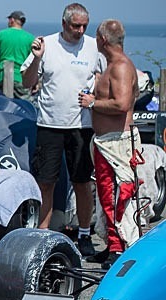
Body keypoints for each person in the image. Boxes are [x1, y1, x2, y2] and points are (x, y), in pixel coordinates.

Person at [21, 3, 105, 257]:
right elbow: (27, 82)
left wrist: (95, 91)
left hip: (82, 124)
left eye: (84, 26)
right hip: (50, 124)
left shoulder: (93, 46)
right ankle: (44, 235)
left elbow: (102, 75)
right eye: (75, 26)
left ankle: (84, 234)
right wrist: (36, 58)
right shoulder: (45, 44)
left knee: (81, 182)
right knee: (46, 181)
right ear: (64, 24)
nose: (80, 31)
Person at [80, 19, 140, 268]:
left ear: (103, 39)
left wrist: (92, 103)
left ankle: (119, 248)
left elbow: (122, 104)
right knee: (105, 195)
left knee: (117, 195)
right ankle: (112, 245)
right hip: (106, 143)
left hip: (117, 143)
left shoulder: (121, 67)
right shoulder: (112, 65)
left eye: (95, 36)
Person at [0, 11, 35, 98]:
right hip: (21, 78)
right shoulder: (30, 38)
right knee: (23, 107)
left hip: (3, 77)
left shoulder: (2, 34)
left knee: (4, 106)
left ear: (12, 20)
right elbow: (34, 61)